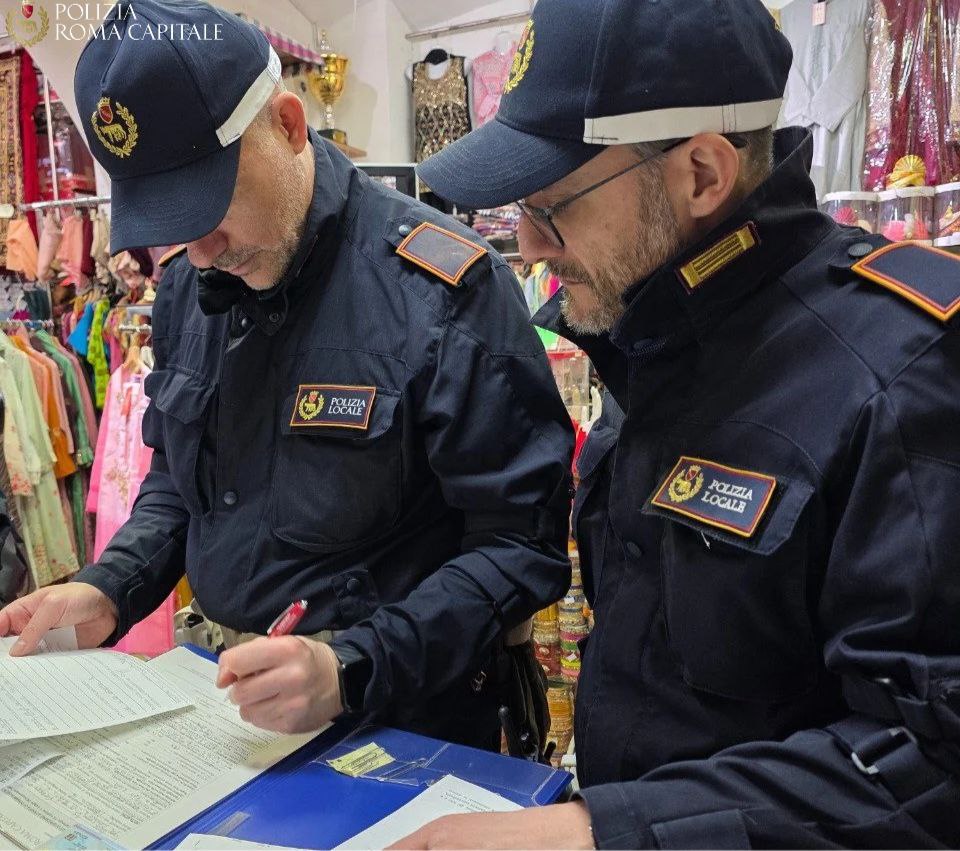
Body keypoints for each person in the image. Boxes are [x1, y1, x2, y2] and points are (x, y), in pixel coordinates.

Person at [403, 0, 960, 846]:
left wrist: (600, 832)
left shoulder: (902, 373)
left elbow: (931, 761)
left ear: (701, 173)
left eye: (551, 208)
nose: (529, 247)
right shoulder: (649, 332)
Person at [0, 0, 574, 753]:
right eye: (171, 221)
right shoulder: (188, 288)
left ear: (289, 124)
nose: (199, 250)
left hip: (405, 723)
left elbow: (519, 547)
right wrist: (110, 586)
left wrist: (351, 666)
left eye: (207, 205)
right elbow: (178, 481)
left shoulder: (443, 290)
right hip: (225, 709)